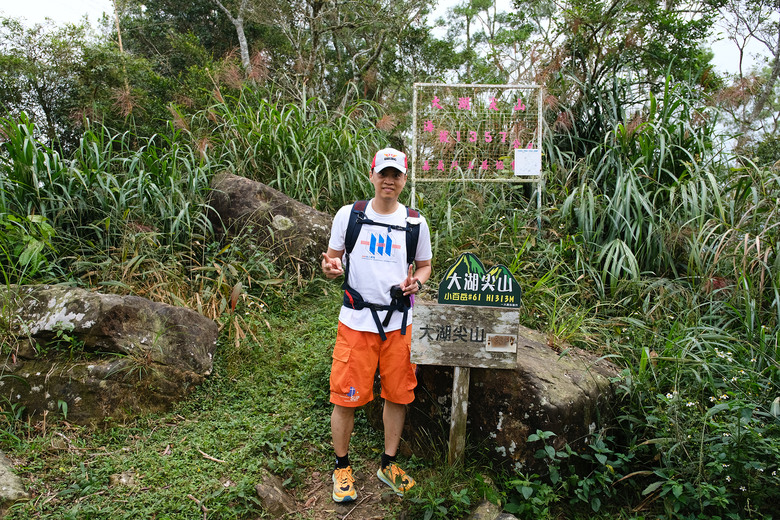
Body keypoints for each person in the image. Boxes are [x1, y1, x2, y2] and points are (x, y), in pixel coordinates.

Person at [321, 147, 432, 503]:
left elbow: (425, 265)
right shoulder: (349, 215)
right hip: (356, 322)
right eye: (383, 173)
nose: (389, 180)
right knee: (346, 397)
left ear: (404, 179)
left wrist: (419, 282)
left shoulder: (415, 222)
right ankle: (342, 467)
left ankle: (389, 463)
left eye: (396, 174)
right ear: (372, 175)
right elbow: (333, 260)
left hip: (400, 323)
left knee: (398, 395)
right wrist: (330, 268)